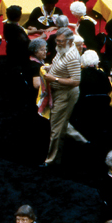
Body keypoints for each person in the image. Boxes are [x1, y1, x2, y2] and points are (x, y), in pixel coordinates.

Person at [41, 28, 81, 167]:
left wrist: (54, 78)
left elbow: (75, 81)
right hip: (58, 92)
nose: (57, 43)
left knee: (56, 127)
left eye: (60, 41)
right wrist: (50, 68)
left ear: (69, 41)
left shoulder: (73, 57)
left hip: (66, 93)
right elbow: (59, 65)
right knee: (59, 123)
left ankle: (52, 161)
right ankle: (82, 142)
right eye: (56, 40)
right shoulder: (62, 49)